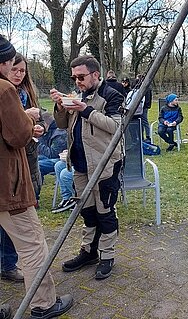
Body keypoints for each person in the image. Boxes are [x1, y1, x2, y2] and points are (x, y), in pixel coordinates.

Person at [0, 35, 73, 318]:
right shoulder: (4, 89)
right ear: (5, 61)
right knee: (32, 245)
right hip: (8, 184)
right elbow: (18, 135)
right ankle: (43, 303)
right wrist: (29, 119)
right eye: (11, 63)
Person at [50, 55, 124, 280]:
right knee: (87, 211)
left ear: (95, 74)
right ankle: (88, 251)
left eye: (81, 77)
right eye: (74, 78)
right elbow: (63, 125)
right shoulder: (78, 96)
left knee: (105, 211)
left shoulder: (112, 95)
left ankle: (107, 256)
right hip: (80, 164)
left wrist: (86, 110)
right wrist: (60, 106)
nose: (77, 82)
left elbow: (116, 128)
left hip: (105, 165)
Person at [7, 52, 45, 204]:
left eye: (22, 71)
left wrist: (40, 127)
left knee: (31, 200)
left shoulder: (27, 93)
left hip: (30, 154)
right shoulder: (4, 94)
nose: (18, 74)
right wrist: (25, 116)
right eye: (14, 69)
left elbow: (40, 118)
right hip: (10, 157)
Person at [38, 112, 67, 182]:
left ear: (45, 124)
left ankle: (35, 190)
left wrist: (36, 142)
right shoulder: (48, 131)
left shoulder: (60, 134)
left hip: (60, 159)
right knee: (31, 160)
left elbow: (52, 154)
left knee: (37, 165)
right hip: (51, 157)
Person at [134, 74, 152, 142]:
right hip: (144, 106)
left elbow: (147, 98)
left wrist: (145, 106)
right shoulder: (146, 87)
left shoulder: (145, 88)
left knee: (144, 121)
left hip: (143, 107)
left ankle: (148, 136)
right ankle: (142, 136)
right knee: (142, 122)